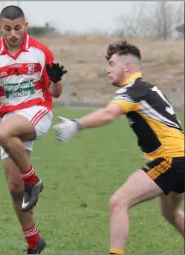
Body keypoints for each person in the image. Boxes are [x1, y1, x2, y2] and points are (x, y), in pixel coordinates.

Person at [52, 40, 184, 255]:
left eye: (112, 64)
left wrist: (77, 125)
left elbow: (108, 114)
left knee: (118, 202)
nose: (107, 70)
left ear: (127, 66)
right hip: (179, 159)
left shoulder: (132, 90)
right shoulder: (147, 89)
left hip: (172, 160)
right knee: (171, 213)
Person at [0, 5, 67, 253]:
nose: (13, 34)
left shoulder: (40, 52)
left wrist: (56, 80)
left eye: (18, 28)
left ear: (25, 25)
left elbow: (54, 93)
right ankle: (34, 242)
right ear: (0, 28)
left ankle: (34, 181)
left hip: (37, 111)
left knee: (0, 134)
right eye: (8, 29)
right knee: (15, 189)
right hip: (10, 116)